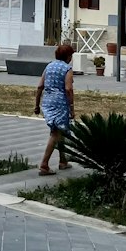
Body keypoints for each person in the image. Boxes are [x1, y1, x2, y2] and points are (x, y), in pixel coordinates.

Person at [35, 42, 75, 175]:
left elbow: (40, 86)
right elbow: (68, 89)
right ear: (68, 56)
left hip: (47, 102)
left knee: (60, 131)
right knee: (56, 133)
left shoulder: (49, 66)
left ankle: (63, 161)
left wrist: (36, 105)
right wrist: (71, 107)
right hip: (60, 103)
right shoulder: (67, 69)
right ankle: (44, 164)